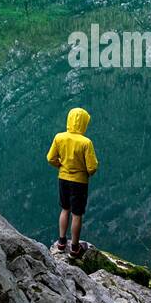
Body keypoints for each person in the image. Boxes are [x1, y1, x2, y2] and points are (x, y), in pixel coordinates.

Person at [46, 107, 98, 257]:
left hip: (63, 178)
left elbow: (50, 158)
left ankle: (61, 242)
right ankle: (75, 248)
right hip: (79, 182)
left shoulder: (59, 137)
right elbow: (92, 167)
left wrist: (61, 166)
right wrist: (85, 173)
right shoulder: (86, 143)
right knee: (77, 214)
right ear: (83, 123)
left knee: (65, 209)